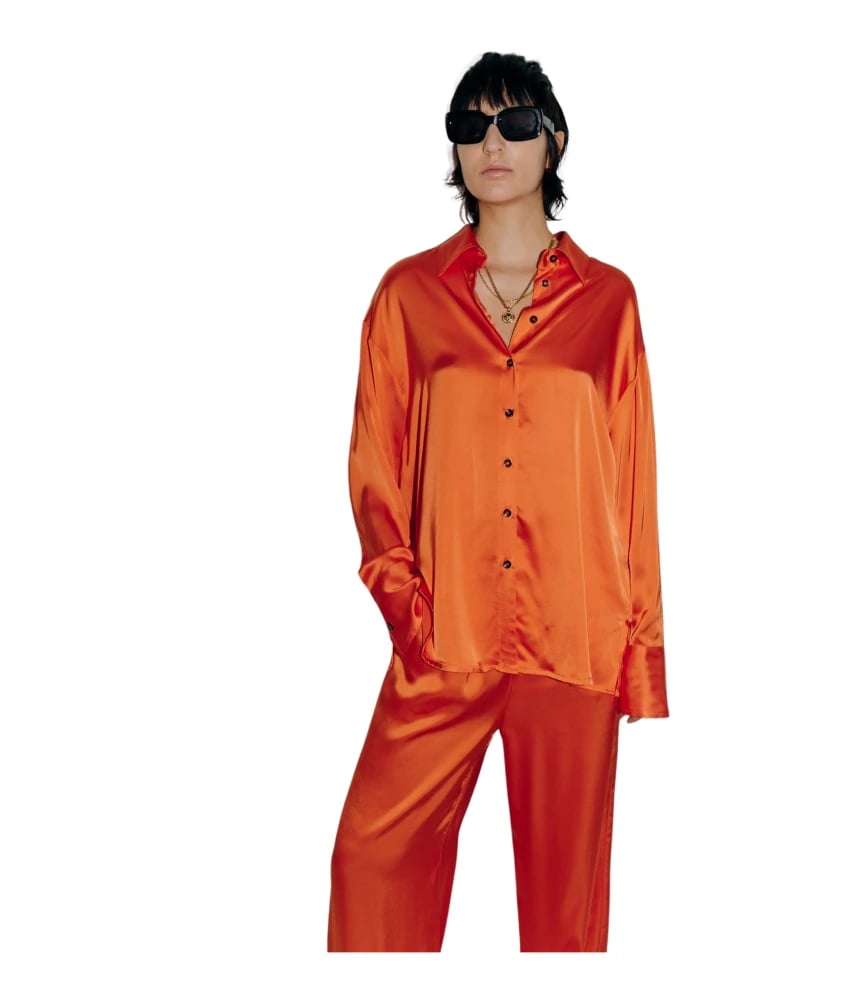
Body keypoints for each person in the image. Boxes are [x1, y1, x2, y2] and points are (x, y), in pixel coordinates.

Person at [327, 51, 669, 953]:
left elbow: (634, 485)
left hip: (574, 642)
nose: (492, 143)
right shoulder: (406, 297)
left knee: (565, 919)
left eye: (515, 124)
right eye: (470, 125)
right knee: (369, 859)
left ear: (552, 141)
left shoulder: (610, 301)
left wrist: (641, 656)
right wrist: (408, 609)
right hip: (444, 638)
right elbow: (373, 468)